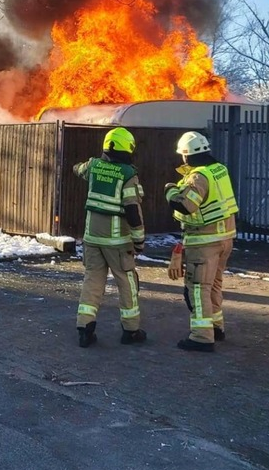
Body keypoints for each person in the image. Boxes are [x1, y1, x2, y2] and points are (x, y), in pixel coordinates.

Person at [72, 127, 147, 348]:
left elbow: (77, 169)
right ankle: (131, 330)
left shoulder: (94, 166)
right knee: (126, 282)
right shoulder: (128, 175)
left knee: (92, 281)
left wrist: (89, 165)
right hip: (118, 242)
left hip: (92, 238)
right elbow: (133, 211)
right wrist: (139, 240)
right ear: (128, 147)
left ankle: (85, 327)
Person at [165, 131, 238, 352]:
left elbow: (187, 206)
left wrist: (170, 192)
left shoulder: (198, 177)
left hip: (204, 242)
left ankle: (201, 336)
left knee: (197, 289)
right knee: (214, 285)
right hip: (225, 238)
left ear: (187, 155)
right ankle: (216, 327)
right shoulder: (219, 169)